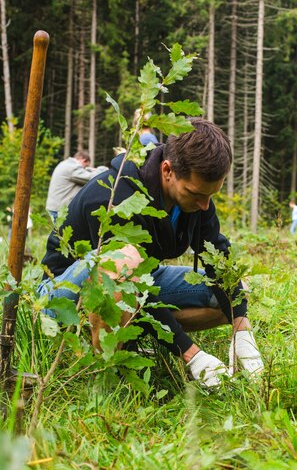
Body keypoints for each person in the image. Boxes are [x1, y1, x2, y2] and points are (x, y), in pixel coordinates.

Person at [38, 118, 264, 389]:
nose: (205, 205)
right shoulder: (116, 194)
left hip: (137, 278)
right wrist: (192, 355)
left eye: (210, 195)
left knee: (236, 292)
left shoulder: (199, 201)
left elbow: (218, 256)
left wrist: (242, 328)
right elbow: (131, 278)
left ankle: (133, 337)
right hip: (63, 293)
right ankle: (108, 372)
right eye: (195, 193)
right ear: (167, 170)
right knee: (124, 260)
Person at [46, 150, 106, 223]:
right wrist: (103, 169)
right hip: (60, 210)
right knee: (64, 234)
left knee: (62, 233)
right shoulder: (73, 167)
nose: (84, 168)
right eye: (86, 165)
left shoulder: (66, 163)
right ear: (83, 160)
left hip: (55, 207)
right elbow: (91, 178)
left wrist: (89, 168)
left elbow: (85, 170)